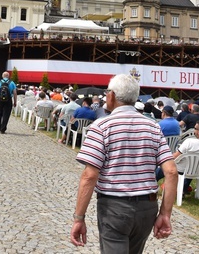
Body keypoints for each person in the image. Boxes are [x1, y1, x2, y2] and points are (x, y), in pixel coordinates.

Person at [71, 74, 177, 253]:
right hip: (147, 207)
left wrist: (78, 218)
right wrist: (165, 214)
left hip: (115, 207)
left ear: (111, 95)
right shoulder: (153, 126)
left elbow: (89, 176)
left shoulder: (102, 126)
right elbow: (172, 172)